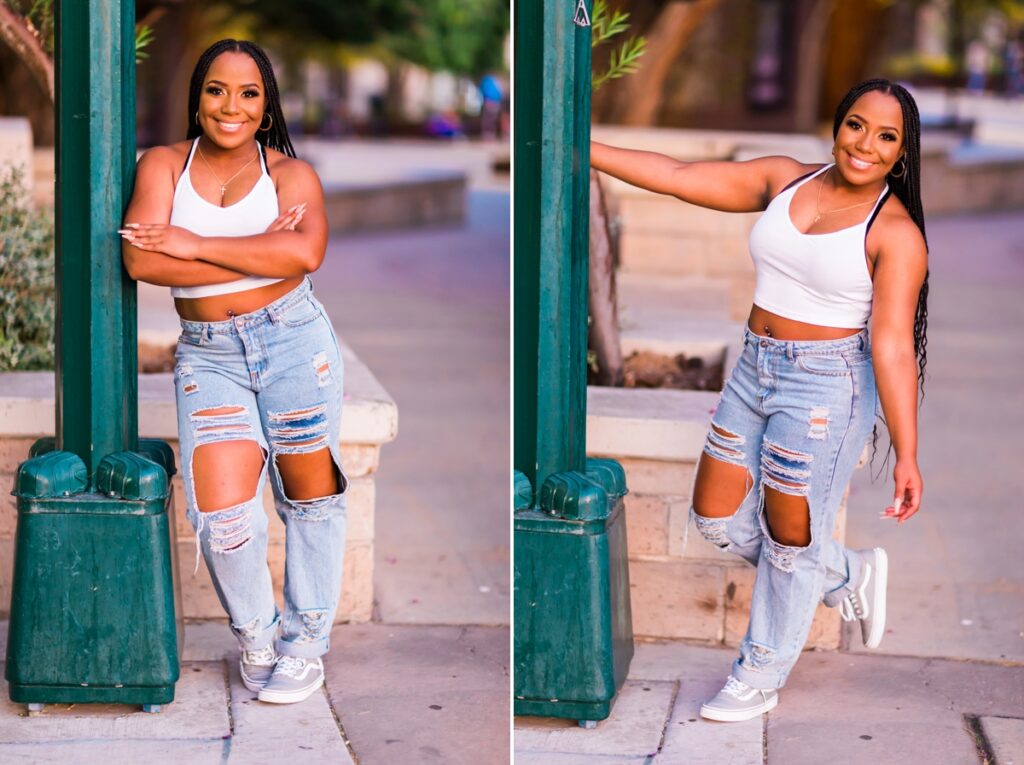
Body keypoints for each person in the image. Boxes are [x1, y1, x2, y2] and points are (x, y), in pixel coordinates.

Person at [590, 79, 928, 721]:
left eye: (887, 136)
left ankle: (760, 673)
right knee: (717, 517)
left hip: (826, 387)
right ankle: (844, 574)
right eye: (857, 125)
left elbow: (891, 348)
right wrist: (576, 147)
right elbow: (675, 173)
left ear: (902, 152)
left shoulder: (896, 234)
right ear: (838, 124)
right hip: (754, 368)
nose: (867, 144)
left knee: (789, 540)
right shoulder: (785, 180)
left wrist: (908, 453)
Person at [119, 39, 348, 705]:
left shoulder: (293, 176)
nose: (231, 106)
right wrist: (258, 253)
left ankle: (307, 643)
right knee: (221, 511)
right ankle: (257, 632)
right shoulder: (162, 164)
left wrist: (192, 242)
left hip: (293, 342)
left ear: (267, 105)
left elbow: (305, 253)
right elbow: (142, 261)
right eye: (217, 89)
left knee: (311, 496)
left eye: (249, 94)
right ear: (197, 97)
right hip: (209, 352)